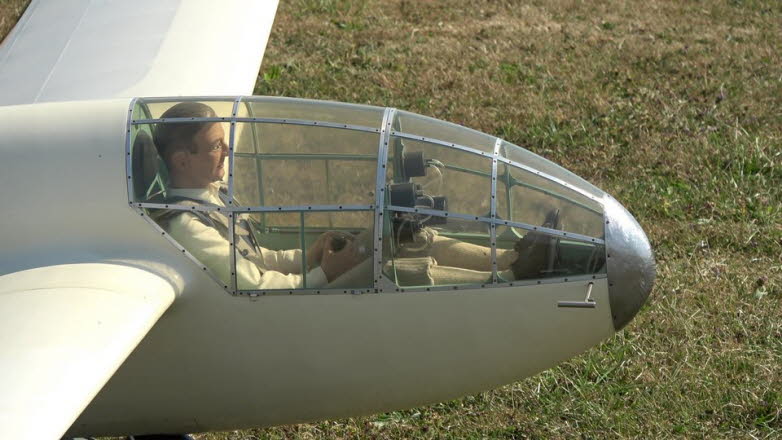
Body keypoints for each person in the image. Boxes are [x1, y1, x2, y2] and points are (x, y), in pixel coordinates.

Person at [151, 102, 365, 290]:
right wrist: (325, 274)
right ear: (182, 161)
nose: (227, 150)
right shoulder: (186, 225)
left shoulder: (216, 194)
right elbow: (253, 284)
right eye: (216, 146)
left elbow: (251, 258)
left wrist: (307, 257)